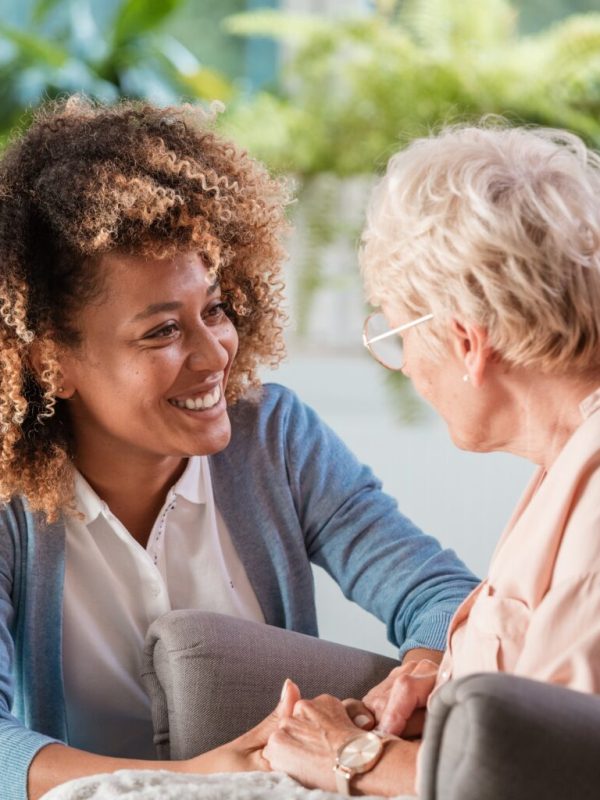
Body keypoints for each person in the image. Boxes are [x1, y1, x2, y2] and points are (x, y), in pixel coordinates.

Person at [0, 97, 477, 800]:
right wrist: (186, 783)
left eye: (214, 310)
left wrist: (419, 675)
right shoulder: (9, 498)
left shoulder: (275, 438)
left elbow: (438, 592)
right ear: (49, 364)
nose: (213, 352)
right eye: (161, 332)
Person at [263, 121, 600, 796]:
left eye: (397, 331)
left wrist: (353, 756)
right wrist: (443, 689)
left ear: (467, 341)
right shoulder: (563, 461)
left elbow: (554, 773)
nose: (407, 367)